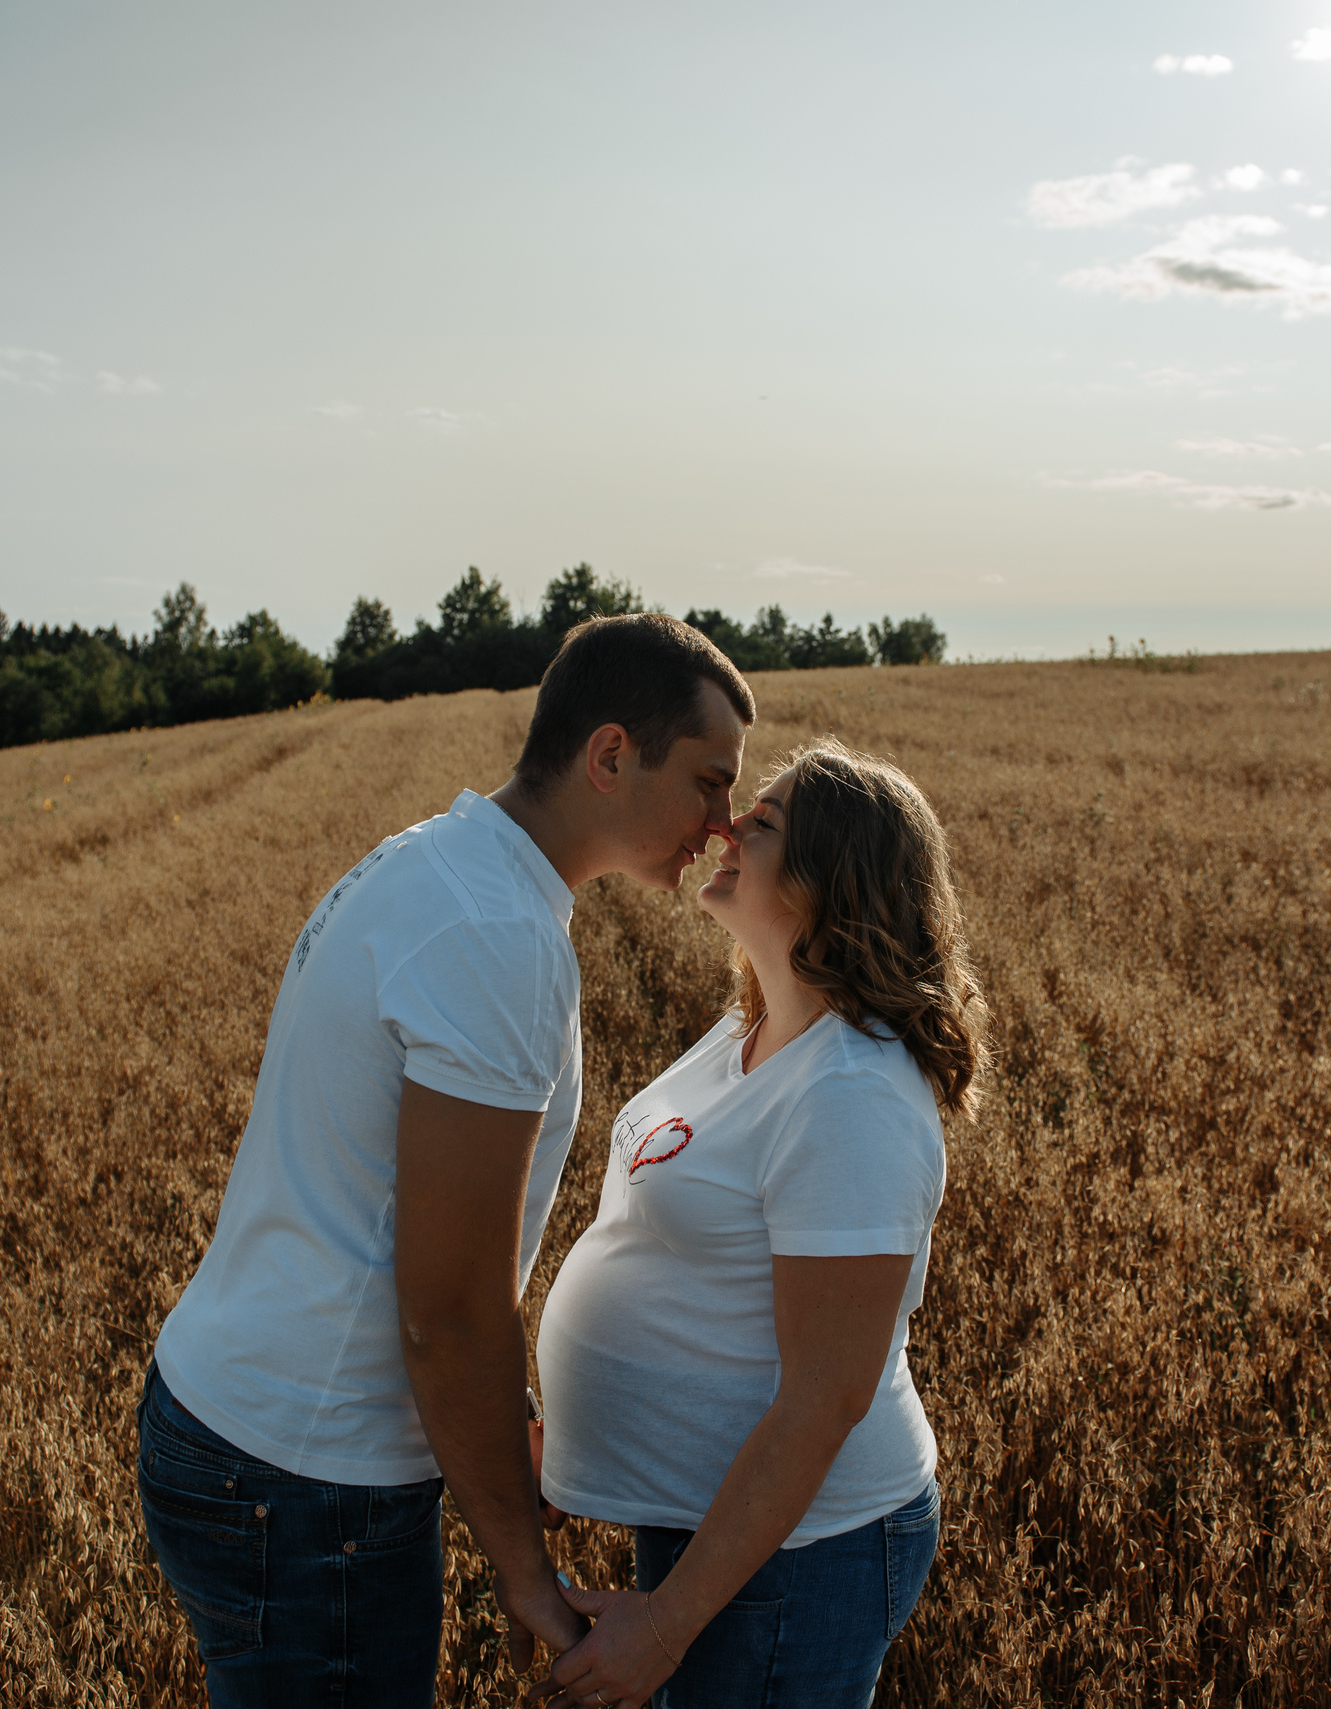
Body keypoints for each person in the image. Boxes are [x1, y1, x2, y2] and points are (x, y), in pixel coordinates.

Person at [137, 613, 754, 1706]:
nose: (722, 823)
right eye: (709, 782)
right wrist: (525, 1570)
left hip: (232, 1418)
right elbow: (449, 1306)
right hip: (307, 1478)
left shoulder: (430, 859)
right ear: (609, 755)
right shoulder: (495, 937)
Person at [532, 740, 989, 1708]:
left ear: (834, 879)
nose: (727, 823)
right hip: (716, 1526)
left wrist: (665, 1621)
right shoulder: (753, 1025)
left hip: (797, 1553)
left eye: (766, 820)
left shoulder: (851, 1095)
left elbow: (825, 1397)